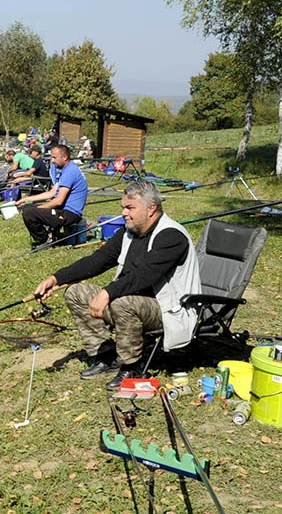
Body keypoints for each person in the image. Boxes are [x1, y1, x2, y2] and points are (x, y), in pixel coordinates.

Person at [32, 180, 201, 390]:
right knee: (76, 292)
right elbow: (97, 261)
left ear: (151, 209)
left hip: (170, 310)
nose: (123, 213)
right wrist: (56, 278)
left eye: (130, 208)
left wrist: (107, 293)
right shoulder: (129, 233)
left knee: (123, 303)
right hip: (132, 303)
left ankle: (132, 367)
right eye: (123, 207)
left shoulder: (171, 236)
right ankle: (106, 357)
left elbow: (143, 276)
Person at [15, 144, 87, 246]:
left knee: (29, 213)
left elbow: (58, 201)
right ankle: (49, 234)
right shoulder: (67, 169)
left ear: (65, 157)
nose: (52, 161)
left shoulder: (70, 171)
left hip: (70, 214)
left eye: (54, 157)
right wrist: (26, 199)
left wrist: (40, 208)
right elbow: (52, 193)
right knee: (28, 207)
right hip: (63, 210)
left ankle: (45, 240)